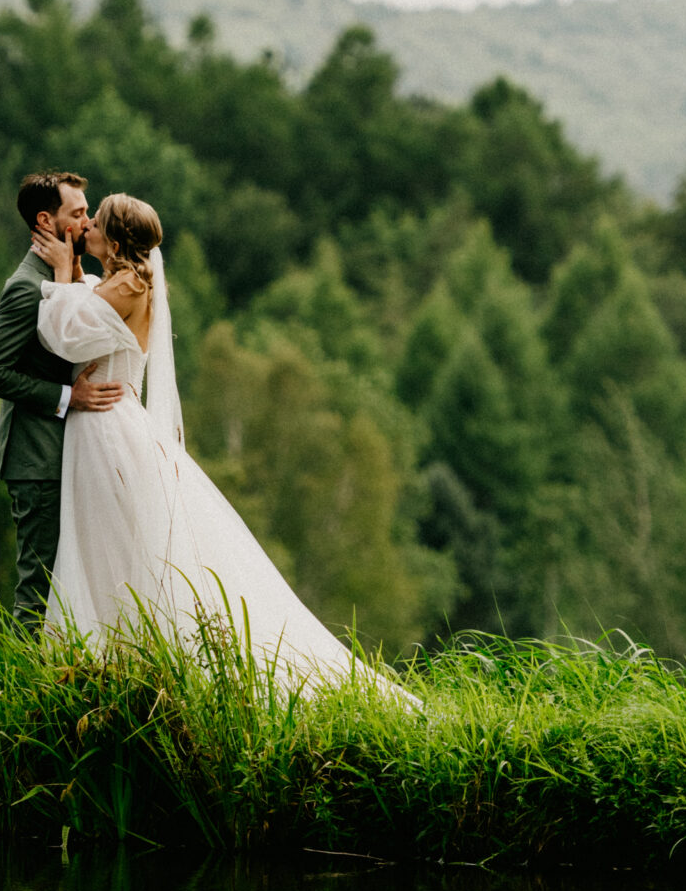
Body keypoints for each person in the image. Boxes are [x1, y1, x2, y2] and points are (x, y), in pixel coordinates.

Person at [30, 191, 418, 698]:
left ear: (117, 239)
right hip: (102, 422)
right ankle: (107, 663)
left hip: (106, 426)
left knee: (107, 540)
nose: (88, 230)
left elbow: (64, 338)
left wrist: (61, 275)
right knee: (105, 540)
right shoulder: (120, 281)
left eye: (96, 223)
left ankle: (121, 660)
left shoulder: (126, 285)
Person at [0, 171, 125, 630]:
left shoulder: (63, 277)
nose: (86, 222)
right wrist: (68, 396)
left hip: (64, 453)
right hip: (36, 457)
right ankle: (19, 693)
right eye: (77, 214)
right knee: (38, 586)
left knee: (67, 583)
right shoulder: (25, 287)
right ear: (47, 220)